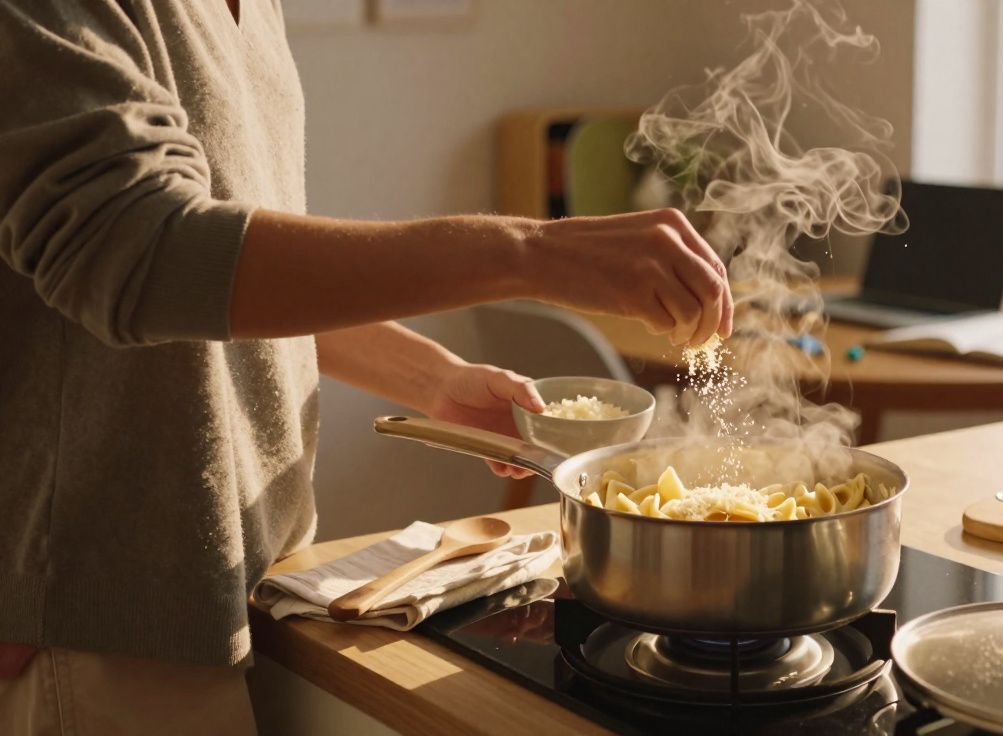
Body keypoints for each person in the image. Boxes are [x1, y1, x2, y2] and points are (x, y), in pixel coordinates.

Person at [0, 1, 732, 733]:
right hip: (100, 620)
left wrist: (430, 377)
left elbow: (240, 278)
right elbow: (146, 255)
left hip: (257, 585)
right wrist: (532, 253)